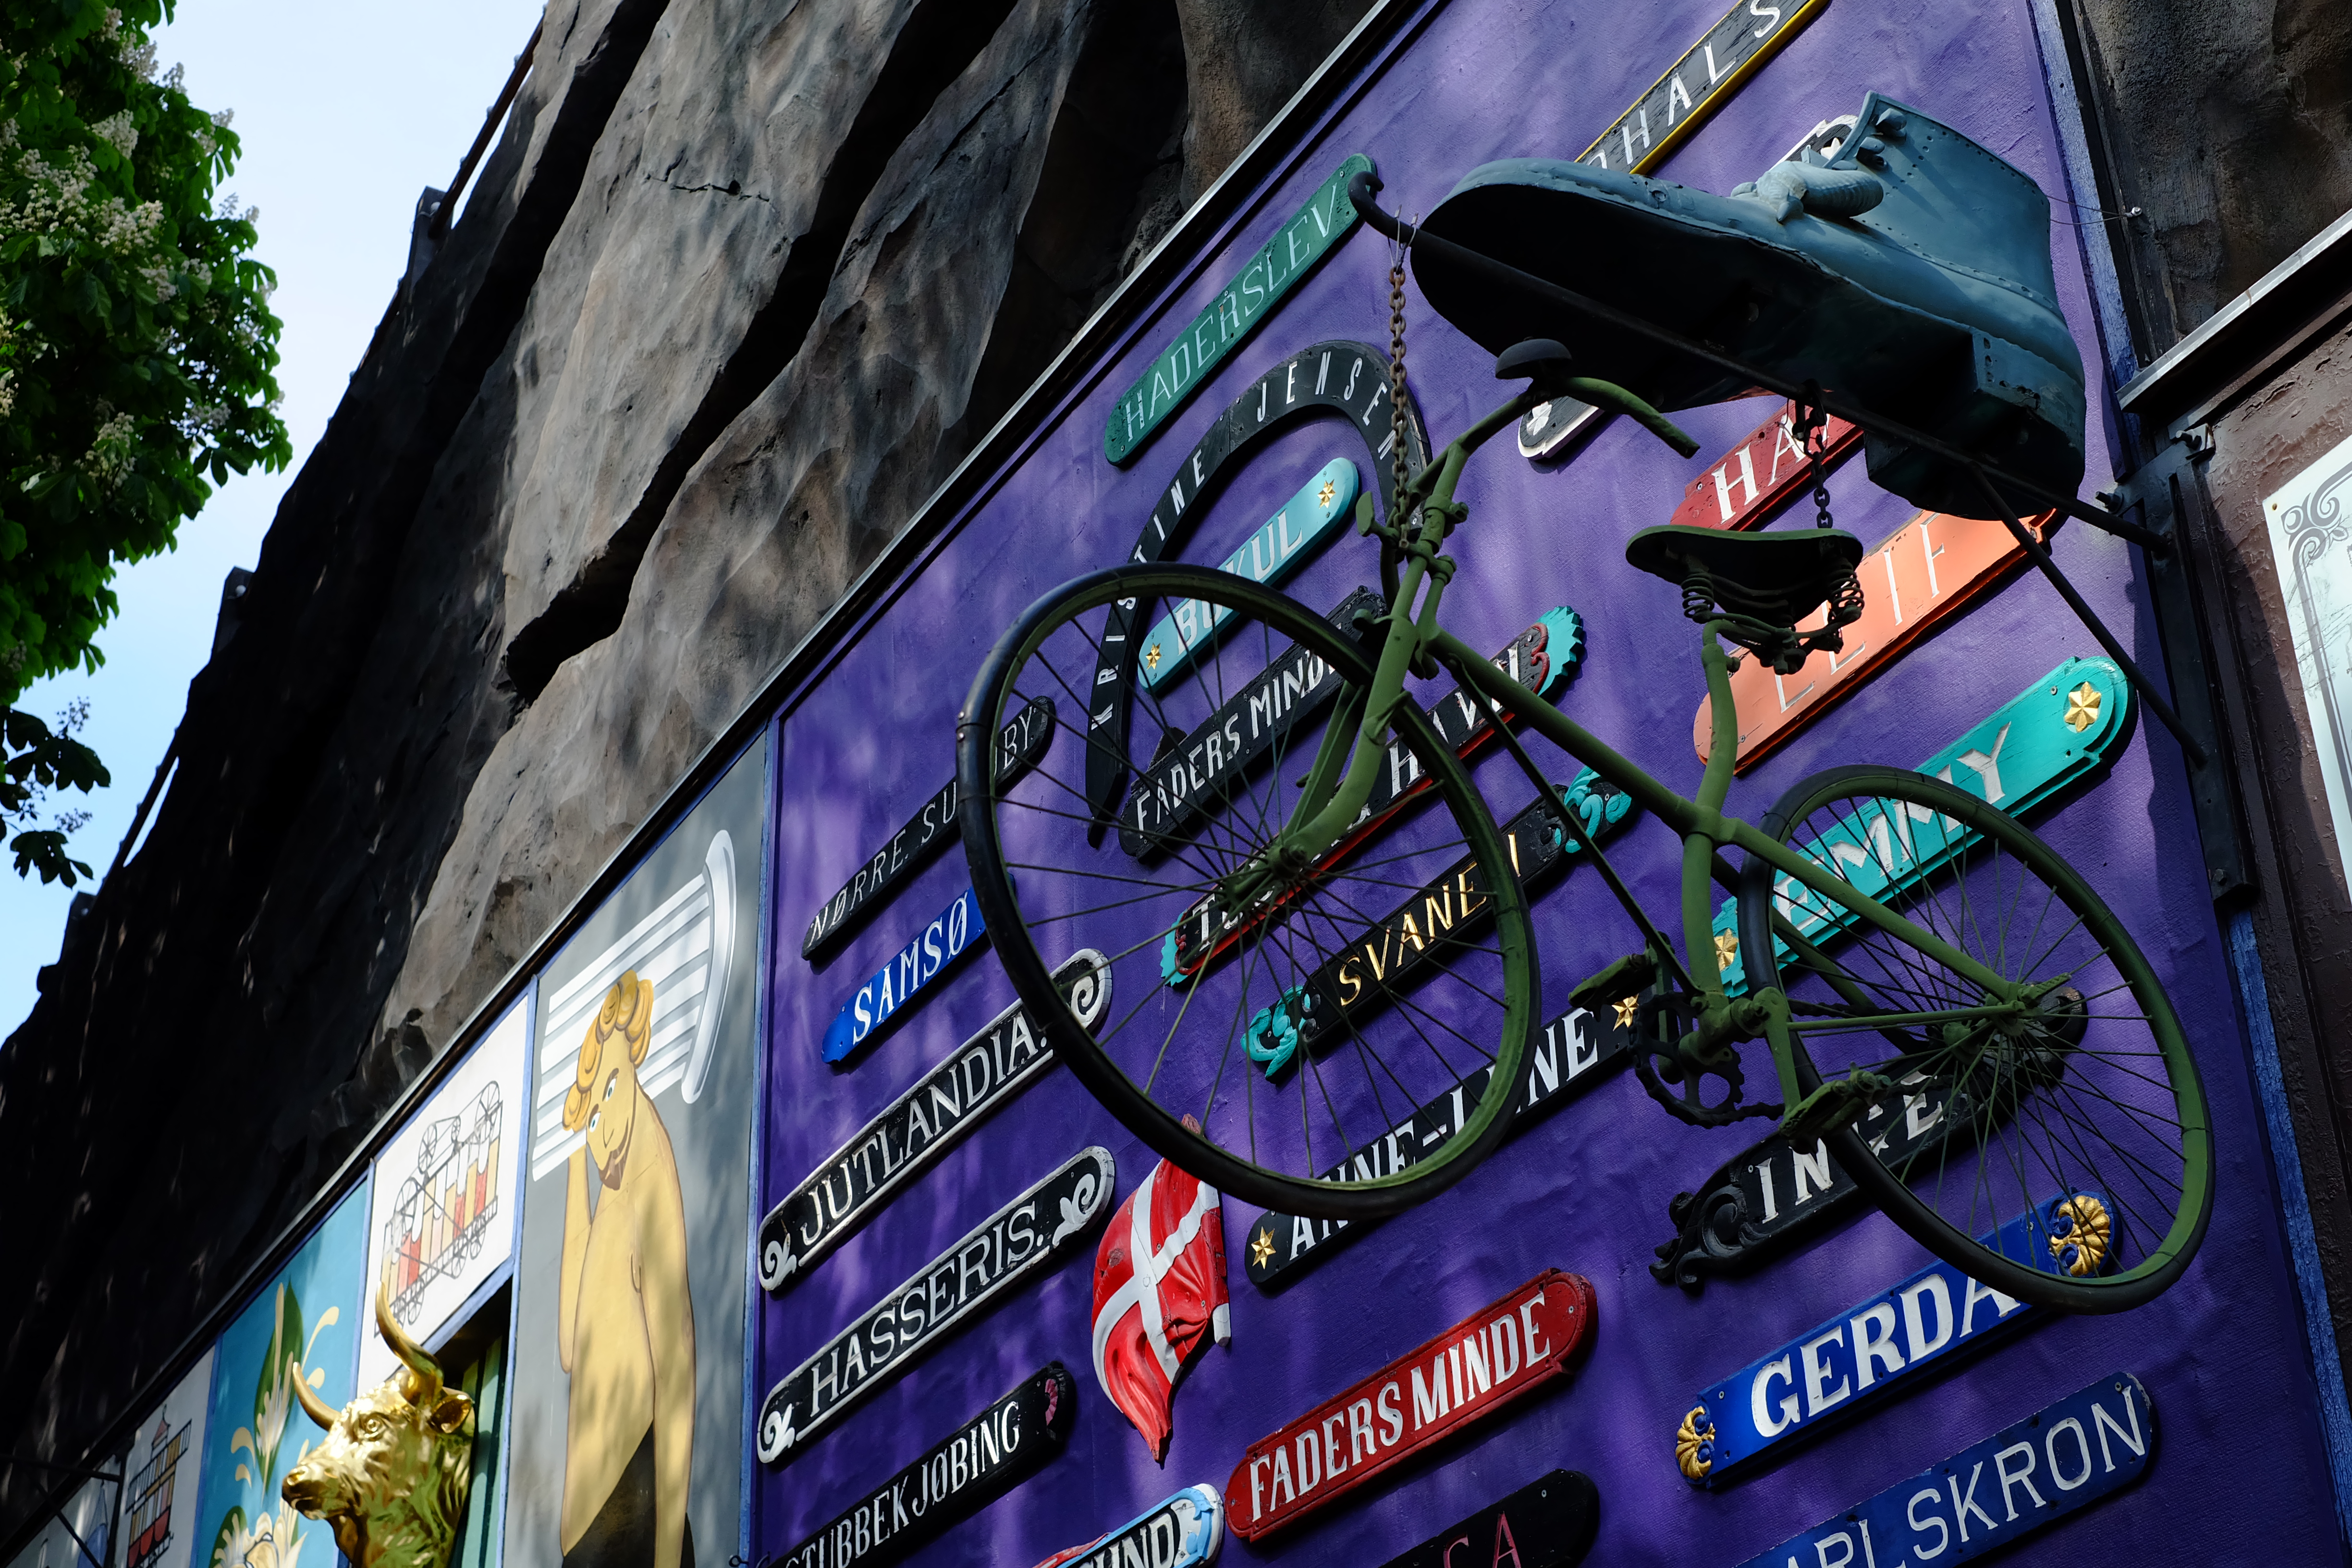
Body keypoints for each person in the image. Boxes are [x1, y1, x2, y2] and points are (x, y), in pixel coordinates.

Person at [556, 972, 695, 1568]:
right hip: (581, 1535)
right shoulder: (605, 1201)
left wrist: (667, 1557)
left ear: (635, 1074)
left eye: (612, 1089)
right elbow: (569, 1347)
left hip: (639, 1513)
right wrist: (570, 1164)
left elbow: (679, 1375)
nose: (603, 1129)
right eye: (591, 1122)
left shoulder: (650, 1183)